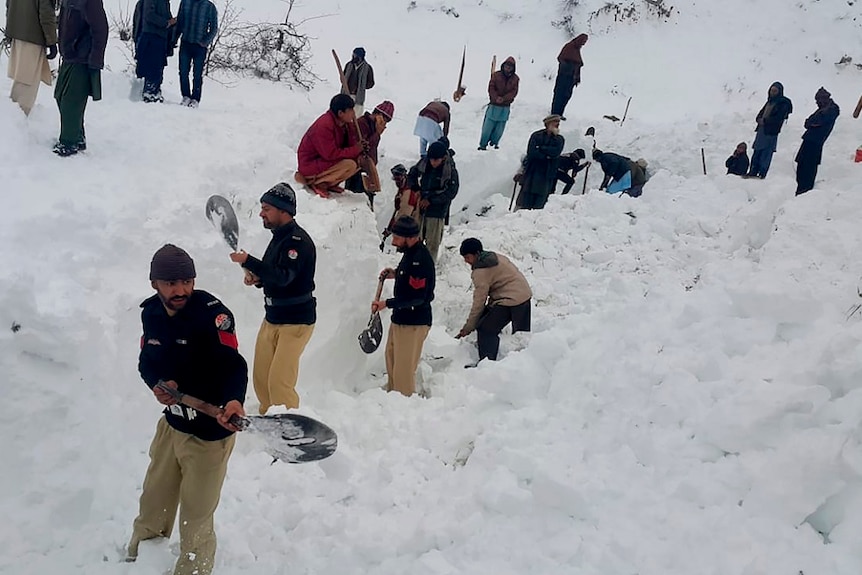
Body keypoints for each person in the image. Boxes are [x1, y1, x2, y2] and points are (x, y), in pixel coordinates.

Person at [128, 244, 248, 575]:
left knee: (196, 516)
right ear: (155, 283)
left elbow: (233, 365)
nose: (180, 290)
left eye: (186, 281)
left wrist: (234, 399)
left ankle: (193, 570)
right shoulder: (150, 313)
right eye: (170, 283)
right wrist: (156, 383)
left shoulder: (213, 315)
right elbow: (146, 360)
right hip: (172, 426)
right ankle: (140, 563)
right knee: (153, 502)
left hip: (210, 434)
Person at [229, 183, 316, 414]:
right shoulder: (278, 237)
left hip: (296, 321)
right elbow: (273, 274)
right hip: (273, 318)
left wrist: (248, 261)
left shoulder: (297, 241)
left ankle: (292, 431)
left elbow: (284, 277)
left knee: (279, 383)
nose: (261, 213)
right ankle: (270, 426)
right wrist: (258, 278)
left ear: (283, 210)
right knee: (261, 380)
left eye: (266, 208)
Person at [371, 216, 435, 397]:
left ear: (409, 237)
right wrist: (396, 274)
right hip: (401, 319)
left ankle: (404, 401)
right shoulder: (410, 255)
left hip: (414, 322)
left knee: (404, 369)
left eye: (397, 238)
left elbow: (417, 298)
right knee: (391, 360)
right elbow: (409, 279)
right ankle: (393, 395)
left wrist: (386, 304)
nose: (393, 241)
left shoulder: (420, 260)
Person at [456, 238, 531, 364]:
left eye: (468, 257)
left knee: (486, 330)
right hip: (523, 295)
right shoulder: (494, 257)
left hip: (511, 300)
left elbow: (479, 302)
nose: (466, 261)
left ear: (477, 254)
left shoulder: (481, 272)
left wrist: (469, 326)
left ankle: (487, 364)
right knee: (488, 319)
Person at [53, 0, 108, 156]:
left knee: (71, 101)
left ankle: (69, 142)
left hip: (82, 58)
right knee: (60, 96)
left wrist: (95, 59)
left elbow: (101, 29)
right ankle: (77, 136)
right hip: (69, 56)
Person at [295, 93, 364, 197]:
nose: (353, 114)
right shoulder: (324, 125)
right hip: (310, 164)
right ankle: (316, 182)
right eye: (351, 110)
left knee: (358, 162)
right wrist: (355, 150)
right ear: (341, 113)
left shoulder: (344, 124)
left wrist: (359, 147)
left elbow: (349, 145)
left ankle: (327, 183)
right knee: (349, 164)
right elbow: (330, 154)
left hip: (324, 162)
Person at [407, 139, 459, 264]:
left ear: (444, 157)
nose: (433, 162)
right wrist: (416, 189)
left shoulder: (450, 170)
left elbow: (452, 191)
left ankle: (428, 266)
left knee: (433, 242)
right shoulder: (424, 163)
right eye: (431, 159)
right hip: (421, 207)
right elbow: (412, 174)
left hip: (437, 210)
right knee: (415, 238)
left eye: (436, 160)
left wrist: (432, 200)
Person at [5, 0, 57, 116]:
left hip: (17, 32)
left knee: (21, 77)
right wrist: (52, 41)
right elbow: (46, 13)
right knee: (27, 81)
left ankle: (13, 117)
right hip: (32, 36)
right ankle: (16, 120)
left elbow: (9, 5)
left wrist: (9, 32)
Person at [795, 87, 840, 196]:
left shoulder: (832, 109)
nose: (816, 103)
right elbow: (808, 122)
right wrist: (811, 123)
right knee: (801, 164)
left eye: (818, 100)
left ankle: (805, 190)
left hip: (816, 141)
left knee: (809, 166)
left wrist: (812, 123)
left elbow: (818, 121)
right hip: (809, 139)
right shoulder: (822, 109)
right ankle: (800, 188)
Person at [345, 100, 395, 196]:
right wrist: (377, 134)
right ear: (379, 115)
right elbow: (364, 147)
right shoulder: (362, 124)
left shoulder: (374, 126)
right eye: (385, 119)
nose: (385, 123)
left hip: (367, 169)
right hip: (358, 168)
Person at [173, 0, 218, 107]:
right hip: (186, 43)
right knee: (183, 72)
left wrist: (205, 42)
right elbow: (180, 22)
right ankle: (186, 96)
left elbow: (214, 28)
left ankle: (195, 99)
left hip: (200, 46)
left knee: (197, 74)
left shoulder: (209, 6)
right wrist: (174, 39)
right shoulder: (185, 2)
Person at [516, 114, 565, 209]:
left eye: (558, 123)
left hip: (547, 172)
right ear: (548, 123)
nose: (557, 124)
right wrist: (547, 155)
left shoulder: (559, 139)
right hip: (533, 171)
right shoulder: (536, 136)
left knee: (540, 200)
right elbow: (531, 152)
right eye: (555, 122)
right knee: (526, 199)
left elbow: (556, 153)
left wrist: (541, 148)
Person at [747, 82, 792, 179]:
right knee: (757, 150)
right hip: (761, 130)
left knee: (766, 153)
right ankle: (753, 171)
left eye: (775, 91)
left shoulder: (783, 104)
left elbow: (778, 118)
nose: (772, 92)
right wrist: (759, 119)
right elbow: (760, 114)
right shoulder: (769, 102)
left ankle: (762, 173)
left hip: (771, 132)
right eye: (771, 90)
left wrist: (765, 121)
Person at [134, 0, 176, 103]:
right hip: (151, 38)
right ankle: (150, 93)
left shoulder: (165, 2)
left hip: (159, 38)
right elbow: (149, 15)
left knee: (157, 68)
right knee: (152, 67)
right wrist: (167, 23)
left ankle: (155, 92)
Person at [478, 56, 519, 150]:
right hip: (494, 105)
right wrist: (495, 97)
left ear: (513, 68)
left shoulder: (515, 79)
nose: (508, 68)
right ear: (503, 66)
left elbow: (514, 92)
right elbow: (491, 87)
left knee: (499, 129)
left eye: (510, 66)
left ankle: (494, 144)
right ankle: (483, 145)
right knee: (487, 128)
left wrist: (504, 99)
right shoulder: (496, 75)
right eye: (506, 66)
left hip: (505, 107)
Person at [380, 163, 420, 251]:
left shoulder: (408, 192)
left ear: (403, 176)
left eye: (398, 178)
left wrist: (392, 229)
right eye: (395, 179)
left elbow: (403, 216)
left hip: (409, 231)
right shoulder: (403, 189)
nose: (397, 181)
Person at [550, 33, 587, 120]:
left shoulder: (577, 50)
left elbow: (578, 65)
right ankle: (555, 113)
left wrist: (576, 77)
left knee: (566, 95)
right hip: (563, 77)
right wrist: (569, 67)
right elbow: (561, 59)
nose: (584, 44)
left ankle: (560, 113)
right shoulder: (569, 47)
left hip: (570, 79)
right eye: (583, 41)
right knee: (559, 95)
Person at [342, 46, 374, 115]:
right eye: (353, 54)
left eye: (355, 55)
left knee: (356, 117)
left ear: (360, 57)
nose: (353, 56)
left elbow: (371, 83)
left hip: (358, 97)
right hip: (346, 94)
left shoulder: (367, 68)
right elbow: (342, 77)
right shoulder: (348, 65)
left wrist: (361, 85)